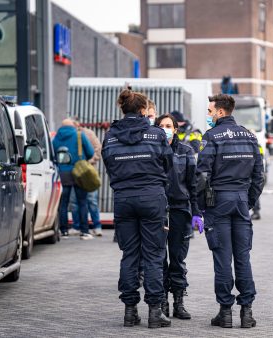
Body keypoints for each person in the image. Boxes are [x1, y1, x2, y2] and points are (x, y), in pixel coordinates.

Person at [102, 89, 173, 329]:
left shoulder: (110, 136)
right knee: (154, 255)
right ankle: (155, 311)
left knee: (130, 254)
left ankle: (130, 311)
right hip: (152, 198)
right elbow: (168, 166)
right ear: (143, 110)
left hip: (124, 199)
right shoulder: (156, 135)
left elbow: (109, 166)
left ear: (123, 109)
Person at [196, 94, 264, 329]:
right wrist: (249, 201)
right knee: (243, 257)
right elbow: (259, 176)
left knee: (222, 257)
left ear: (221, 112)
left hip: (218, 203)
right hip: (241, 201)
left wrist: (201, 207)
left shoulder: (211, 137)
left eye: (210, 110)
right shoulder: (249, 136)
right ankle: (247, 312)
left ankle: (225, 312)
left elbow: (202, 176)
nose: (209, 114)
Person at [155, 114, 203, 320]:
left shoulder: (186, 151)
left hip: (179, 211)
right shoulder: (153, 150)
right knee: (158, 260)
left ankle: (178, 302)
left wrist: (197, 213)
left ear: (175, 129)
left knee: (177, 259)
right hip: (157, 212)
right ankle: (162, 302)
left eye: (168, 126)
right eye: (161, 126)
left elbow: (194, 185)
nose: (165, 129)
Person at [52, 118, 95, 240]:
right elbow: (91, 153)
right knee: (82, 202)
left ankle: (63, 231)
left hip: (62, 173)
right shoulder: (79, 135)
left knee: (63, 204)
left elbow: (52, 154)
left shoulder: (56, 138)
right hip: (79, 173)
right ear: (72, 125)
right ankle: (84, 232)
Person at [69, 118, 103, 236]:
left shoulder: (88, 134)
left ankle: (97, 226)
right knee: (74, 201)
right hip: (75, 173)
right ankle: (76, 226)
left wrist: (89, 161)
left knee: (91, 200)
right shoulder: (71, 136)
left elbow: (98, 149)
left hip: (88, 172)